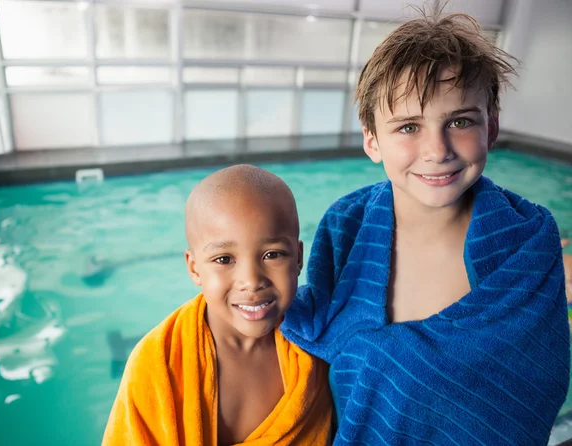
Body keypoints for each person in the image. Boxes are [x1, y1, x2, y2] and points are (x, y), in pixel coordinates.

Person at [281, 10, 570, 445]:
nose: (437, 150)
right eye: (409, 127)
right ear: (371, 140)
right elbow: (312, 322)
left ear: (491, 127)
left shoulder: (526, 244)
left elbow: (533, 383)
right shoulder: (346, 226)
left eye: (460, 121)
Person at [103, 165, 332, 445]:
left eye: (272, 254)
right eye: (224, 259)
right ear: (194, 267)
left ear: (298, 258)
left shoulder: (319, 344)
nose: (251, 281)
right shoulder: (158, 363)